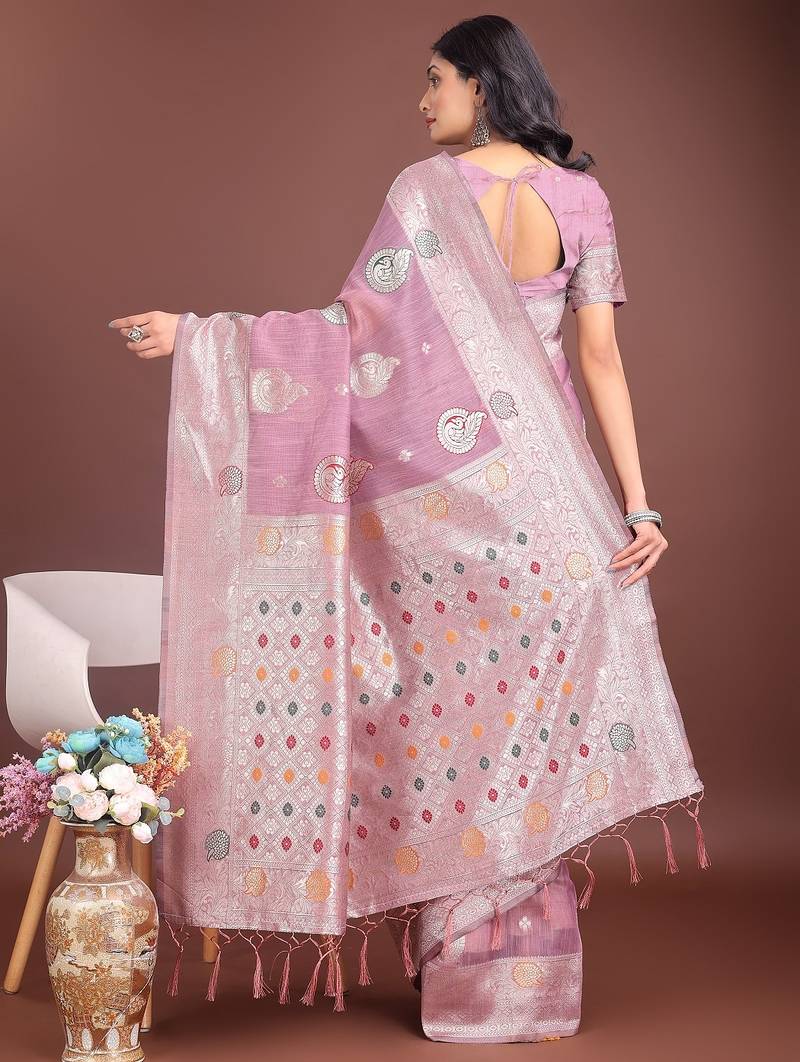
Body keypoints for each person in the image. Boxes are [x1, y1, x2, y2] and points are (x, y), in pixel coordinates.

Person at [108, 14, 708, 1045]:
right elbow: (600, 358)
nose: (423, 101)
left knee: (452, 730)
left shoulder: (426, 194)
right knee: (522, 736)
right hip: (559, 514)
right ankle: (521, 992)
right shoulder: (581, 198)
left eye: (436, 80)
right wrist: (639, 506)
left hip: (442, 518)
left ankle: (468, 983)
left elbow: (350, 340)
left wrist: (201, 339)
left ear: (483, 83)